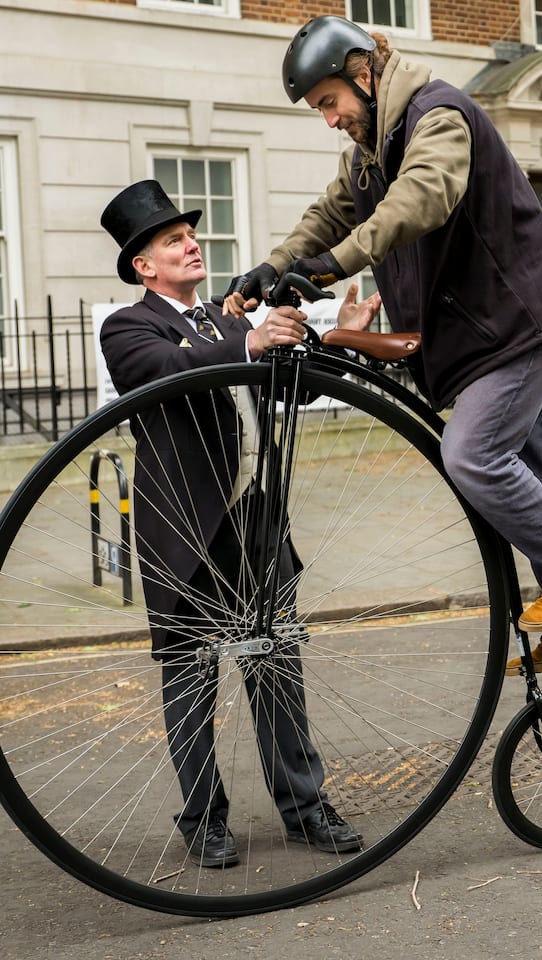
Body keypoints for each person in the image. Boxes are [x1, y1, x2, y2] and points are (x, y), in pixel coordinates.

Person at [225, 16, 542, 677]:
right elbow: (329, 214)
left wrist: (330, 267)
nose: (330, 119)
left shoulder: (438, 115)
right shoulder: (368, 151)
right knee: (534, 472)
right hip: (485, 335)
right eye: (319, 110)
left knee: (473, 455)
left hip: (518, 325)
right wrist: (275, 265)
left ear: (363, 73)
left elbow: (423, 196)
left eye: (330, 102)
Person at [100, 179, 380, 867]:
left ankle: (305, 809)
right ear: (143, 265)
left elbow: (293, 384)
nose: (192, 244)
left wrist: (343, 340)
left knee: (277, 667)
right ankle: (203, 818)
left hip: (256, 521)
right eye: (174, 240)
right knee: (191, 676)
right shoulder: (130, 327)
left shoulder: (227, 324)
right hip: (186, 529)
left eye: (191, 235)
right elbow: (168, 371)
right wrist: (251, 342)